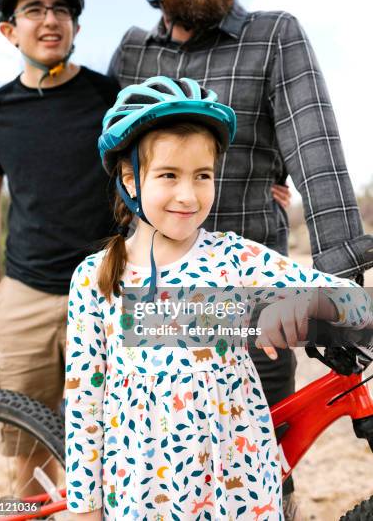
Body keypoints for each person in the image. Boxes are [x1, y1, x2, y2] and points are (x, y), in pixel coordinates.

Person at [106, 0, 373, 515]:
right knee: (157, 473)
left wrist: (341, 273)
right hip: (152, 306)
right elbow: (98, 147)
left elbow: (314, 147)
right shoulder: (129, 52)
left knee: (261, 474)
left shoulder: (273, 33)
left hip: (254, 294)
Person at [65, 76, 372, 519]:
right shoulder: (94, 279)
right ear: (130, 180)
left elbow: (354, 308)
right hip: (142, 491)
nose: (188, 195)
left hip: (238, 486)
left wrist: (303, 306)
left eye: (202, 176)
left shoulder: (235, 256)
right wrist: (84, 507)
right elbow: (83, 405)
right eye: (168, 175)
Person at [0, 0, 119, 494]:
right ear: (9, 30)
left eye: (61, 10)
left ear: (76, 25)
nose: (49, 20)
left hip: (105, 292)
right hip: (24, 298)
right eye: (33, 9)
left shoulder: (108, 96)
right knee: (28, 452)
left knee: (117, 441)